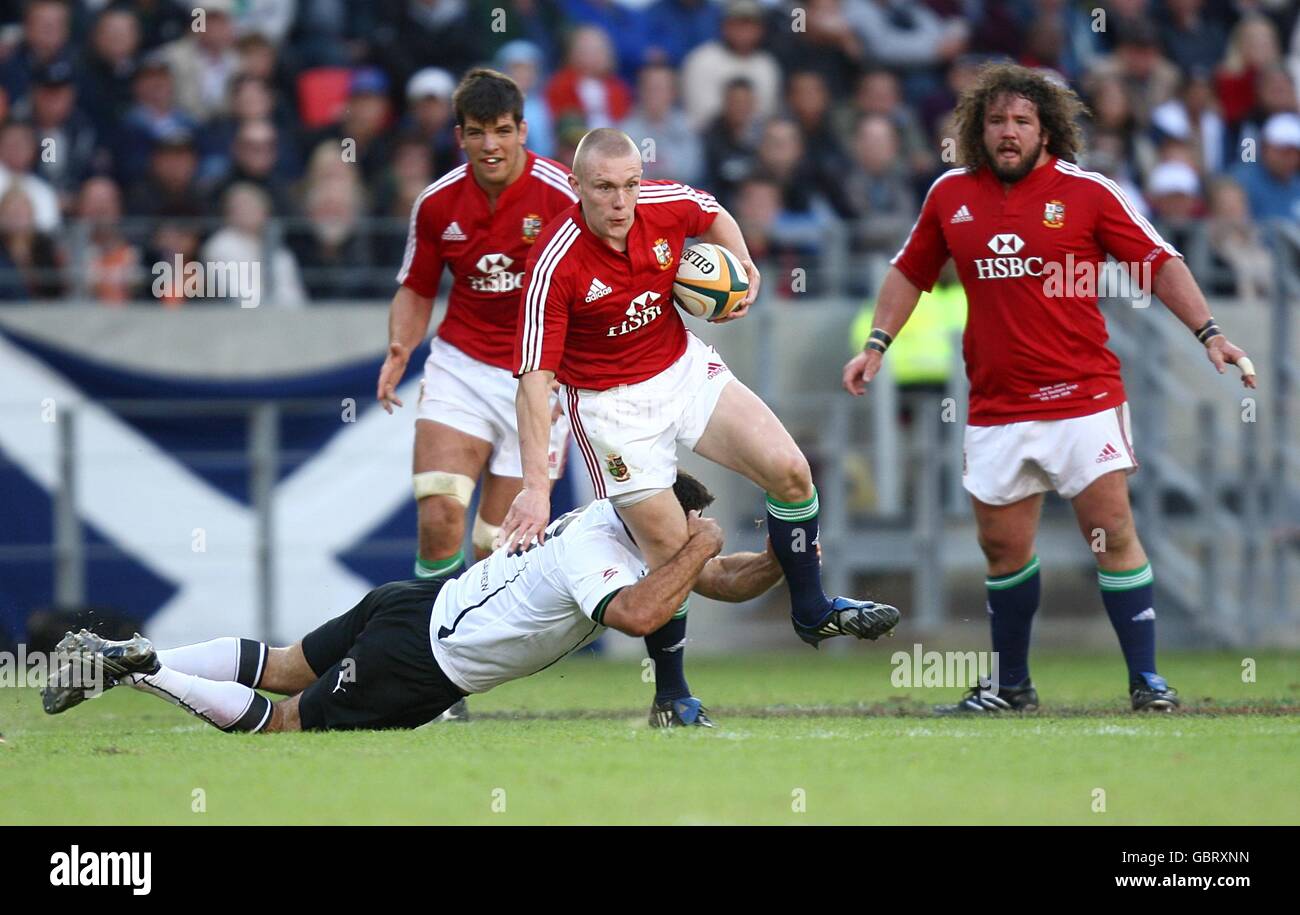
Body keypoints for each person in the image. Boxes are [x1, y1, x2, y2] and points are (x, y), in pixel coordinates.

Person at [841, 63, 1258, 714]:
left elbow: (1158, 260)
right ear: (978, 128)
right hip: (996, 405)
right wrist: (876, 345)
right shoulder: (951, 194)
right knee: (1003, 546)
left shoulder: (1088, 192)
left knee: (1111, 530)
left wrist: (1210, 331)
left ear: (1047, 130)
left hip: (1082, 397)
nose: (1008, 133)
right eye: (997, 121)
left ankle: (1147, 680)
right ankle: (1013, 685)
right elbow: (909, 272)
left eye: (1022, 121)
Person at [504, 127, 900, 649]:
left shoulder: (664, 203)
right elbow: (534, 382)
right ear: (576, 185)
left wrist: (745, 268)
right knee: (675, 552)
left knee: (791, 473)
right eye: (604, 188)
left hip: (683, 371)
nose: (621, 201)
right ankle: (672, 694)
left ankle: (811, 609)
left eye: (631, 184)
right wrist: (535, 487)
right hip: (612, 409)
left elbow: (712, 213)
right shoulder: (554, 264)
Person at [42, 475, 787, 731]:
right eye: (684, 532)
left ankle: (127, 659)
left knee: (282, 663)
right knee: (292, 719)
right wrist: (700, 543)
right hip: (424, 659)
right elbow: (638, 614)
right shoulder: (602, 555)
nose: (690, 544)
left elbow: (716, 577)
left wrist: (793, 548)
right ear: (662, 526)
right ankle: (141, 668)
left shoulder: (613, 519)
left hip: (413, 600)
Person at [378, 68, 581, 721]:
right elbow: (416, 286)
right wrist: (401, 346)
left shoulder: (562, 194)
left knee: (501, 548)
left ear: (523, 131)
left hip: (540, 375)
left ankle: (456, 667)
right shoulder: (438, 204)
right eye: (476, 132)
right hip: (461, 365)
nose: (491, 144)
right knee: (439, 514)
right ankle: (431, 681)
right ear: (458, 136)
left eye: (502, 130)